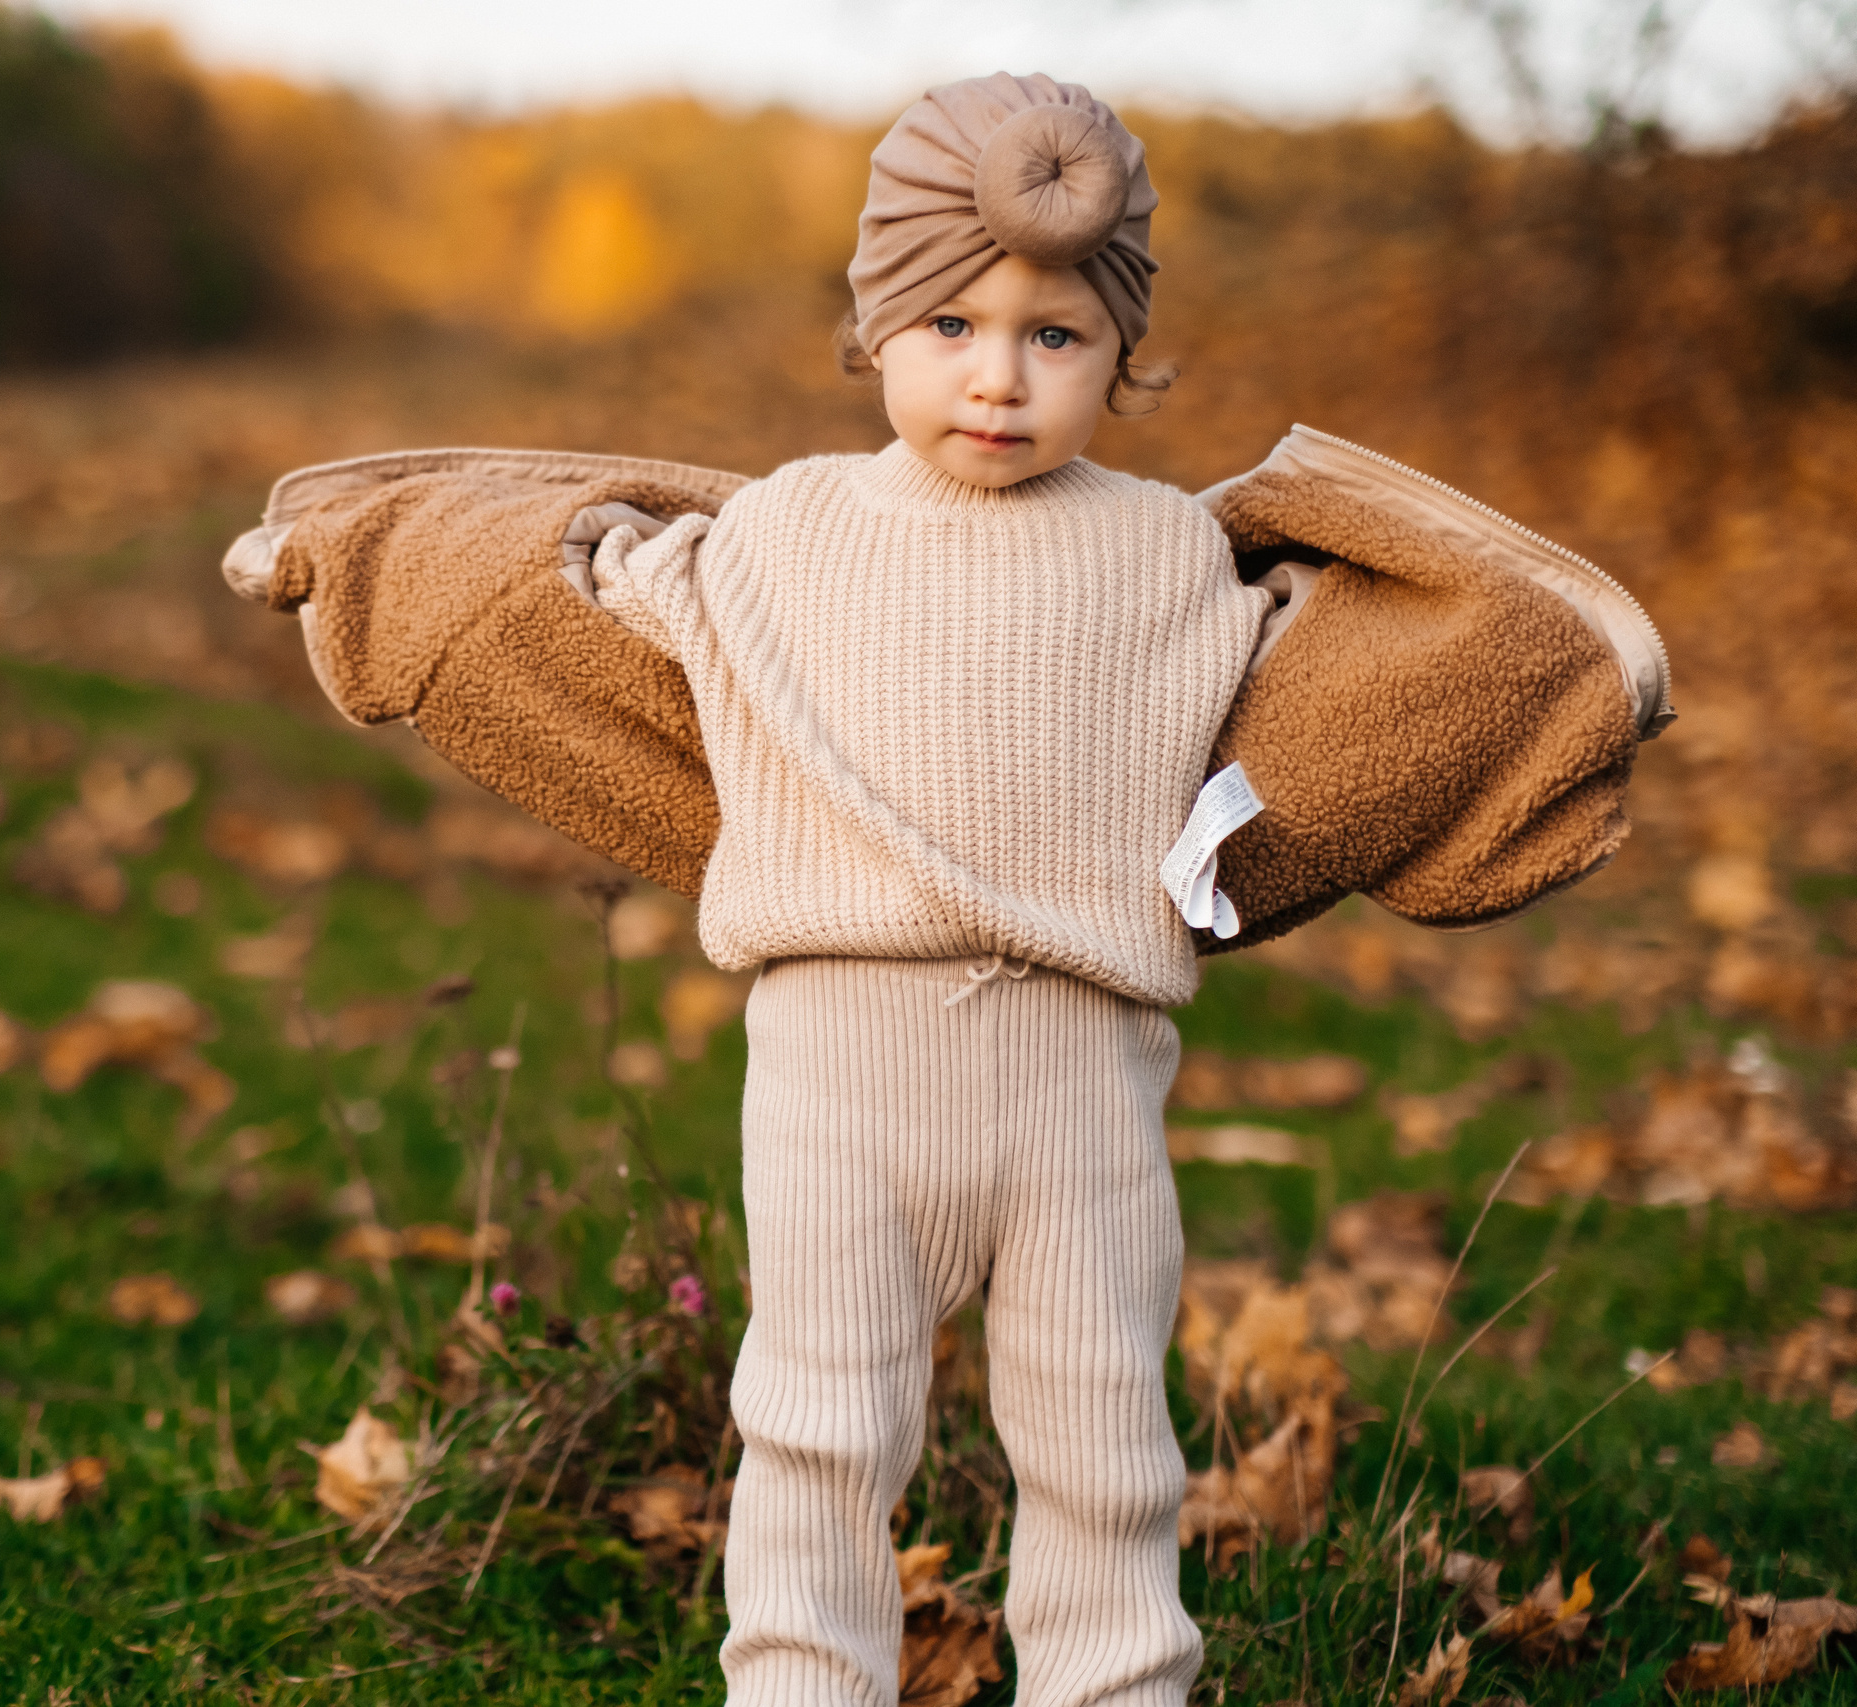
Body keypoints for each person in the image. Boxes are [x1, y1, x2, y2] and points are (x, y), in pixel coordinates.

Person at [583, 72, 1264, 1707]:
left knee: (1105, 1431)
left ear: (1123, 355)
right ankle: (802, 1688)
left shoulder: (1175, 552)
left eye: (1058, 338)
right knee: (816, 1424)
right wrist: (602, 562)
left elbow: (1308, 687)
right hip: (838, 1066)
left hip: (1081, 1078)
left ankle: (1114, 1687)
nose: (1000, 379)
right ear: (876, 325)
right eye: (950, 324)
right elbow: (633, 589)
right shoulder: (786, 529)